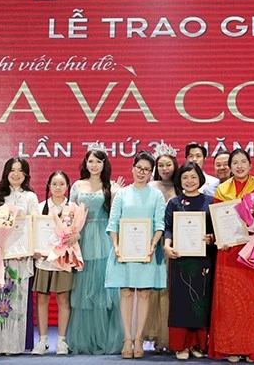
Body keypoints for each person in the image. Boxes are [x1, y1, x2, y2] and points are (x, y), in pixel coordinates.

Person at [209, 148, 254, 363]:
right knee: (230, 301)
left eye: (243, 162)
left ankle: (251, 348)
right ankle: (231, 348)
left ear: (250, 165)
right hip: (228, 251)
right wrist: (220, 237)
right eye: (234, 162)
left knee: (252, 300)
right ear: (229, 167)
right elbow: (217, 222)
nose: (239, 166)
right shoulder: (222, 190)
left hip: (253, 251)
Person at [105, 151, 167, 359]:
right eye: (139, 168)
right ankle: (127, 338)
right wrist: (116, 245)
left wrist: (153, 245)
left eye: (147, 170)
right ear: (132, 168)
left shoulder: (156, 195)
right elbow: (113, 223)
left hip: (147, 251)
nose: (142, 172)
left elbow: (159, 224)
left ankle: (139, 339)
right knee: (126, 293)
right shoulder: (122, 194)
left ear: (151, 173)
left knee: (144, 294)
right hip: (123, 251)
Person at [66, 146, 124, 355]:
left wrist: (116, 193)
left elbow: (116, 215)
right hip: (81, 238)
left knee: (104, 288)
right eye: (91, 161)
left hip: (104, 237)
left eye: (98, 161)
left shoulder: (111, 186)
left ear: (104, 164)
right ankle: (85, 339)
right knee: (82, 288)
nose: (94, 165)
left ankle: (106, 339)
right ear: (85, 163)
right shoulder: (77, 185)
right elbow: (69, 213)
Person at [0, 157, 39, 354]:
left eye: (20, 170)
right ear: (6, 173)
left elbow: (34, 225)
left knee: (16, 298)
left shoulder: (30, 197)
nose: (16, 174)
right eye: (12, 170)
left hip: (21, 255)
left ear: (26, 174)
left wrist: (28, 248)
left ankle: (14, 344)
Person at [163, 162, 215, 361]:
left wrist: (211, 238)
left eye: (193, 176)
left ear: (200, 178)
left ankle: (197, 344)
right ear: (180, 180)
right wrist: (167, 246)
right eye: (185, 177)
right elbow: (169, 228)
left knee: (200, 301)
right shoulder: (174, 203)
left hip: (203, 259)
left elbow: (216, 231)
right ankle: (181, 345)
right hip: (180, 258)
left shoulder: (210, 201)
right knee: (181, 302)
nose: (190, 181)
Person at [33, 170, 77, 355]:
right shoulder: (39, 207)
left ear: (67, 187)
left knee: (63, 299)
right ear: (49, 186)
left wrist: (75, 237)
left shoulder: (74, 208)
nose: (58, 187)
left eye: (61, 184)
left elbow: (78, 233)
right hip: (43, 261)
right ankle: (42, 341)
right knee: (42, 298)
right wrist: (34, 249)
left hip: (63, 261)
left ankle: (61, 341)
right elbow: (33, 232)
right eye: (54, 184)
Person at [144, 143, 180, 353]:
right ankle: (157, 335)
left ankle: (171, 336)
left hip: (177, 244)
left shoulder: (181, 185)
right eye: (161, 165)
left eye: (168, 165)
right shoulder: (151, 186)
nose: (165, 169)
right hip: (154, 242)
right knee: (155, 288)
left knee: (171, 289)